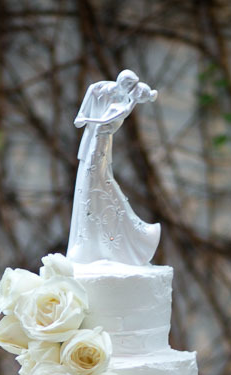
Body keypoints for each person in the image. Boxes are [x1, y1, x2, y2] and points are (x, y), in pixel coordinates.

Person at [67, 70, 161, 266]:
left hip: (100, 147)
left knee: (96, 183)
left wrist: (88, 120)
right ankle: (86, 240)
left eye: (130, 88)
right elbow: (81, 117)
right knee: (90, 185)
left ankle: (98, 242)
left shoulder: (123, 106)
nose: (126, 89)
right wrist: (84, 118)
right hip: (93, 145)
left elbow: (100, 122)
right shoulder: (98, 89)